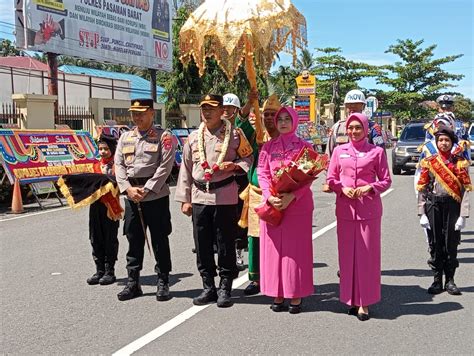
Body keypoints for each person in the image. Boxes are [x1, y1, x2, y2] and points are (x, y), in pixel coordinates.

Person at [175, 94, 253, 308]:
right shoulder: (193, 137)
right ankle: (208, 286)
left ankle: (225, 287)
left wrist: (234, 166)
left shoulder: (235, 135)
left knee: (225, 242)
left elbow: (248, 157)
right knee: (202, 244)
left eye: (211, 108)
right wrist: (185, 199)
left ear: (222, 111)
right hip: (200, 196)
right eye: (204, 108)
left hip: (225, 195)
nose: (207, 112)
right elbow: (186, 169)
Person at [326, 112, 392, 321]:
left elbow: (386, 180)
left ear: (365, 130)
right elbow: (331, 177)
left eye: (358, 128)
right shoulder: (339, 151)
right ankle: (350, 299)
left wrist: (369, 188)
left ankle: (365, 302)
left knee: (367, 257)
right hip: (345, 210)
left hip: (369, 211)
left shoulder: (376, 152)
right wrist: (341, 189)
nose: (354, 132)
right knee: (347, 257)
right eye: (351, 128)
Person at [115, 98, 176, 302]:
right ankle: (133, 283)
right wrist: (127, 189)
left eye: (141, 112)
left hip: (155, 196)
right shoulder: (125, 137)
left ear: (152, 113)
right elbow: (119, 166)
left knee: (159, 239)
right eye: (134, 112)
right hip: (132, 196)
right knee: (133, 239)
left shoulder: (164, 137)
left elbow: (165, 167)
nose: (137, 116)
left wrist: (148, 189)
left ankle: (163, 280)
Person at [257, 106, 314, 314]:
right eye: (279, 119)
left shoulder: (305, 148)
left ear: (294, 121)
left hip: (297, 207)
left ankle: (296, 294)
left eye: (286, 119)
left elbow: (308, 178)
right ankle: (277, 293)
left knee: (295, 253)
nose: (282, 122)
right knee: (274, 251)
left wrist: (293, 196)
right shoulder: (267, 148)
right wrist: (268, 196)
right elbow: (262, 172)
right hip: (274, 205)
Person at [416, 125, 471, 295]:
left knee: (451, 242)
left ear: (452, 142)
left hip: (452, 206)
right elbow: (423, 188)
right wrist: (422, 212)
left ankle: (450, 280)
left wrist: (463, 215)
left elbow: (465, 190)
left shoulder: (460, 162)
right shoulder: (430, 161)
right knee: (435, 242)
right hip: (434, 205)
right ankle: (436, 280)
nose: (444, 143)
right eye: (440, 140)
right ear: (436, 142)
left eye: (447, 140)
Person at [239, 94, 281, 296]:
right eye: (266, 115)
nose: (269, 118)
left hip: (281, 195)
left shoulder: (287, 138)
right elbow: (240, 123)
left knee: (278, 238)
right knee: (254, 238)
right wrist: (249, 103)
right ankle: (255, 279)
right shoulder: (257, 136)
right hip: (256, 193)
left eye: (274, 115)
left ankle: (277, 276)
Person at [222, 92, 257, 272]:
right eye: (224, 107)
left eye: (230, 108)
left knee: (239, 218)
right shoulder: (213, 128)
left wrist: (250, 102)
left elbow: (243, 118)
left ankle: (238, 250)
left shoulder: (241, 127)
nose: (226, 111)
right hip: (218, 180)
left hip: (239, 178)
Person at [87, 134, 120, 286]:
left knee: (109, 239)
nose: (102, 152)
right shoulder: (95, 165)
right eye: (100, 149)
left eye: (106, 149)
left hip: (110, 207)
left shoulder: (118, 166)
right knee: (95, 237)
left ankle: (109, 271)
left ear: (112, 149)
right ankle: (99, 269)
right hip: (95, 206)